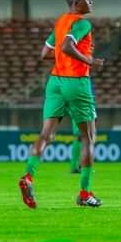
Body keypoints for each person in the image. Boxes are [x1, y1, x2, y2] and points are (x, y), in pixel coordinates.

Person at [19, 0, 104, 208]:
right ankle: (85, 193)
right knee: (88, 137)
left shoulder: (60, 23)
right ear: (76, 2)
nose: (91, 3)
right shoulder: (82, 23)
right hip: (76, 82)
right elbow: (67, 46)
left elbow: (45, 54)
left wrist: (65, 59)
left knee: (46, 134)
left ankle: (28, 176)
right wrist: (89, 61)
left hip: (55, 81)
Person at [39, 37, 82, 174]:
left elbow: (45, 54)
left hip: (67, 88)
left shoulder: (61, 38)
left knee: (79, 133)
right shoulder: (76, 44)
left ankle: (76, 165)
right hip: (72, 89)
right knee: (80, 132)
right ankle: (76, 165)